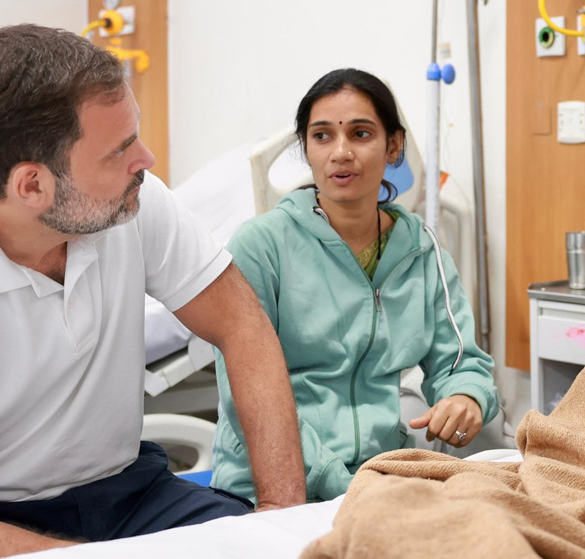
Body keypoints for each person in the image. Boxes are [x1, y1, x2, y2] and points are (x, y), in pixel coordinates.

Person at [0, 24, 306, 557]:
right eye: (120, 150)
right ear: (32, 185)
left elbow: (242, 326)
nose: (146, 160)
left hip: (132, 494)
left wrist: (280, 514)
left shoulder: (135, 202)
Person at [211, 68, 499, 502]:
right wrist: (340, 483)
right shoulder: (261, 246)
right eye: (322, 136)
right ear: (306, 149)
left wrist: (466, 397)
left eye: (361, 134)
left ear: (394, 146)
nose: (341, 152)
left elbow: (460, 362)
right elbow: (244, 395)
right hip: (270, 486)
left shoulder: (422, 250)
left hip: (377, 475)